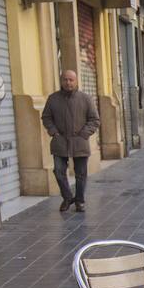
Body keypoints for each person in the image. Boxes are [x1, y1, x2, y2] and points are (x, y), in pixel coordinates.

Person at [41, 69, 99, 214]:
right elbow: (46, 117)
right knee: (59, 171)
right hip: (60, 141)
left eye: (71, 80)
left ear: (76, 81)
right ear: (61, 81)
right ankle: (67, 198)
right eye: (65, 80)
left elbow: (94, 120)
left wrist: (84, 134)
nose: (68, 82)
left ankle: (79, 201)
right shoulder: (53, 99)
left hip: (80, 142)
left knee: (81, 174)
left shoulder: (85, 99)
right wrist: (54, 132)